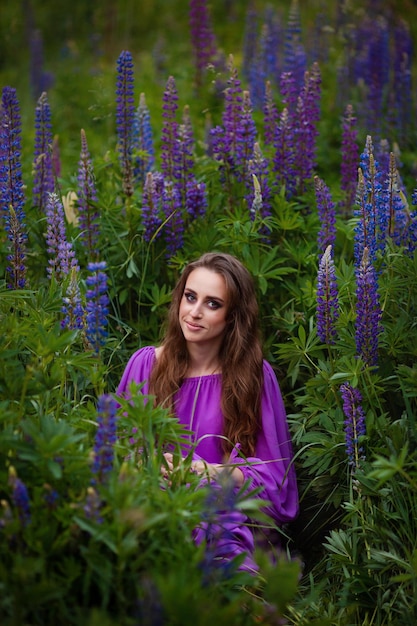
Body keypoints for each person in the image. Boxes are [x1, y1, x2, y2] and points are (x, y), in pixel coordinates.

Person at [117, 252, 299, 573]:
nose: (195, 312)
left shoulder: (254, 376)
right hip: (154, 506)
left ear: (233, 316)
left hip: (227, 516)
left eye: (213, 304)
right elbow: (117, 454)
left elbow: (276, 483)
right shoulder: (146, 365)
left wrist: (204, 472)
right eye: (190, 297)